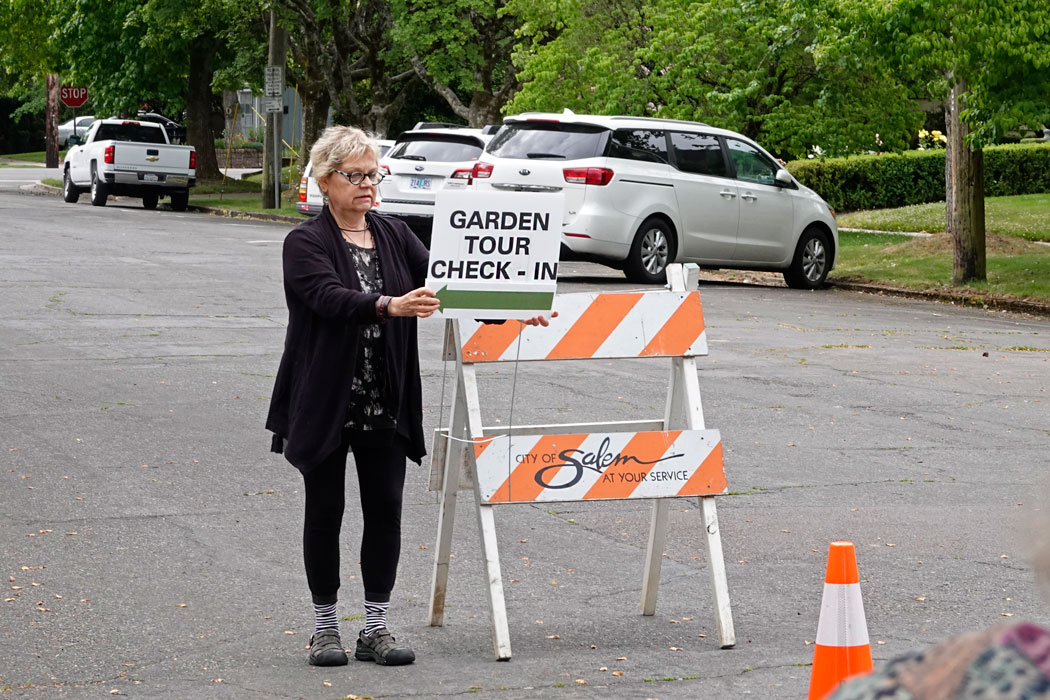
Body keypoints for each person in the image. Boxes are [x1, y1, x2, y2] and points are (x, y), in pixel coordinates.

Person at [266, 125, 552, 668]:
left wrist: (513, 305)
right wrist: (387, 305)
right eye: (354, 175)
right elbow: (327, 297)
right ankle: (325, 629)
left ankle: (374, 628)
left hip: (386, 397)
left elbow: (452, 282)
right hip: (324, 399)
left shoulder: (395, 234)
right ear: (325, 181)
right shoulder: (304, 242)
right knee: (325, 513)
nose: (367, 184)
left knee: (386, 511)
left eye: (373, 174)